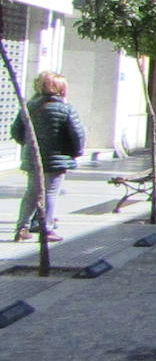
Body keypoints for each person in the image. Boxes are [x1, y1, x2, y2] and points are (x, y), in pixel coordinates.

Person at [10, 71, 85, 243]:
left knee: (31, 192)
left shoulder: (28, 107)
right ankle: (46, 229)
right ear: (61, 88)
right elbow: (77, 134)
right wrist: (75, 153)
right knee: (50, 193)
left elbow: (16, 131)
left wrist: (28, 145)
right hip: (56, 158)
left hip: (33, 157)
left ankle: (22, 227)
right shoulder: (66, 109)